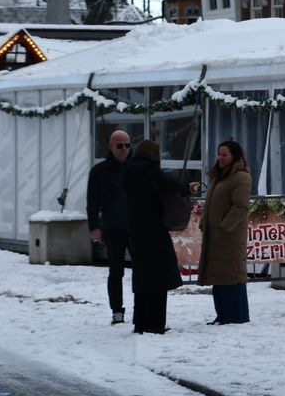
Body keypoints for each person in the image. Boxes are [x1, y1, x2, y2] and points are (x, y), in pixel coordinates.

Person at [120, 139, 189, 334]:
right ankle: (154, 324)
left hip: (135, 232)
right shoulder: (152, 173)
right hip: (154, 232)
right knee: (159, 279)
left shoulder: (127, 173)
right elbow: (176, 187)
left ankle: (140, 322)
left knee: (142, 279)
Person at [191, 140, 252, 325]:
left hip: (229, 236)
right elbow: (211, 203)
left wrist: (225, 226)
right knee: (218, 276)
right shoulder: (220, 176)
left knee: (231, 276)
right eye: (219, 154)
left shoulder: (240, 177)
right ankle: (223, 315)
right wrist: (205, 223)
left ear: (234, 156)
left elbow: (240, 206)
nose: (220, 158)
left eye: (225, 154)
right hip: (216, 235)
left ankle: (236, 316)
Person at [87, 130, 131, 325]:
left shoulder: (136, 168)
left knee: (141, 269)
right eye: (119, 146)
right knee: (116, 270)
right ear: (111, 147)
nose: (124, 149)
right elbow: (92, 202)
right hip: (112, 227)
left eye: (127, 145)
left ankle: (142, 306)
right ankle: (117, 310)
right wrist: (94, 226)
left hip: (135, 226)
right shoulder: (99, 171)